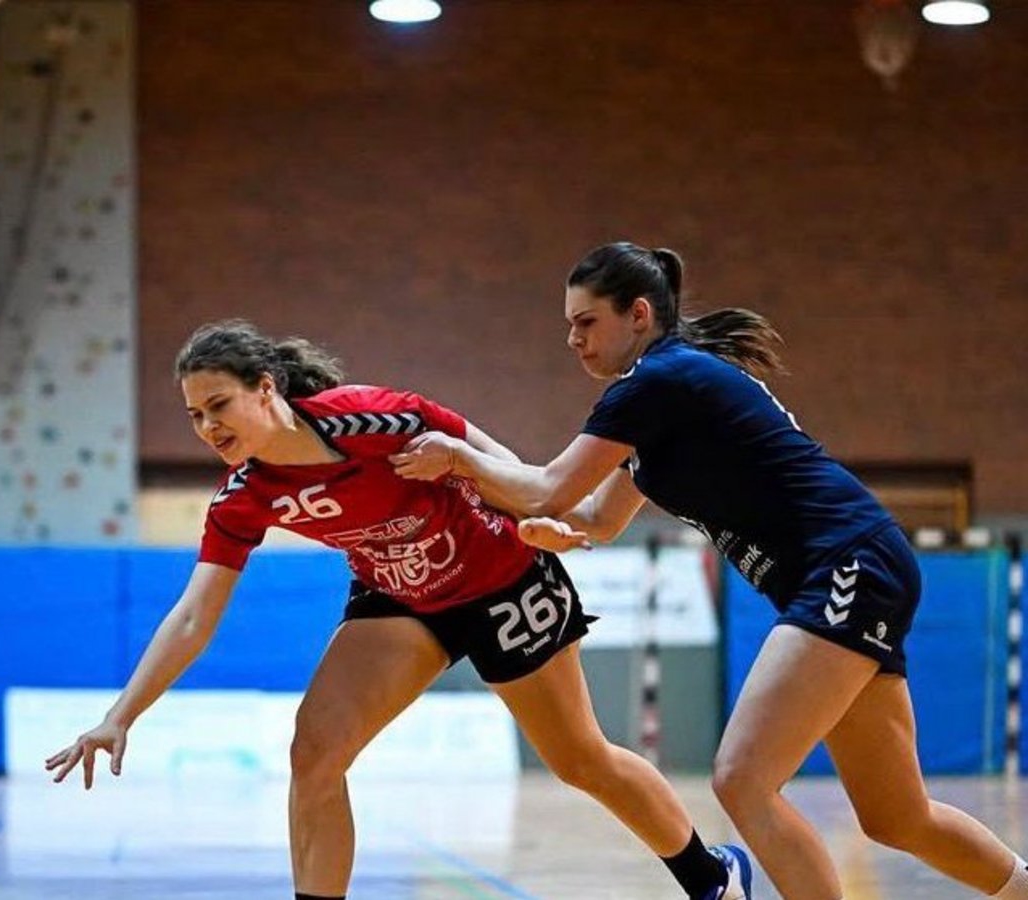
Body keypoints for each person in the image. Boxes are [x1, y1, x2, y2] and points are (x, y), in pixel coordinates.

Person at [391, 241, 1028, 899]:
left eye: (587, 322)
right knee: (898, 815)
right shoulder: (660, 401)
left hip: (847, 564)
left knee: (741, 778)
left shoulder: (657, 381)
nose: (574, 340)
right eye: (568, 326)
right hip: (858, 569)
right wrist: (552, 528)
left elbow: (550, 485)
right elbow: (595, 516)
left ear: (638, 314)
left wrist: (462, 459)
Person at [46, 320, 750, 900]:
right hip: (398, 596)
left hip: (503, 577)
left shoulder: (369, 418)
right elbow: (195, 615)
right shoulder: (245, 496)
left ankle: (712, 875)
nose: (206, 426)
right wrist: (120, 716)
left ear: (265, 390)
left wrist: (544, 507)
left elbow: (485, 453)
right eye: (194, 414)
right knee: (314, 753)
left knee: (580, 761)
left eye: (219, 405)